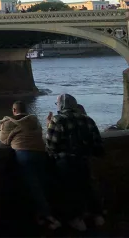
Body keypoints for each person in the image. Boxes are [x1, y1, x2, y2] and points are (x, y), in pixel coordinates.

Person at [46, 94, 104, 232]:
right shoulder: (87, 119)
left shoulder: (57, 120)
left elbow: (51, 145)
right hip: (83, 160)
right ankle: (97, 216)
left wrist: (48, 125)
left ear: (60, 105)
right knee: (87, 187)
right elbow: (97, 143)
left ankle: (77, 221)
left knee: (69, 191)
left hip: (65, 162)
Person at [0, 101, 61, 230]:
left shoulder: (9, 123)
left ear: (14, 110)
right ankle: (42, 215)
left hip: (24, 155)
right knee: (42, 183)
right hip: (41, 153)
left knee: (33, 186)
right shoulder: (34, 121)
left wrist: (3, 130)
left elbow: (4, 140)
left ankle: (48, 216)